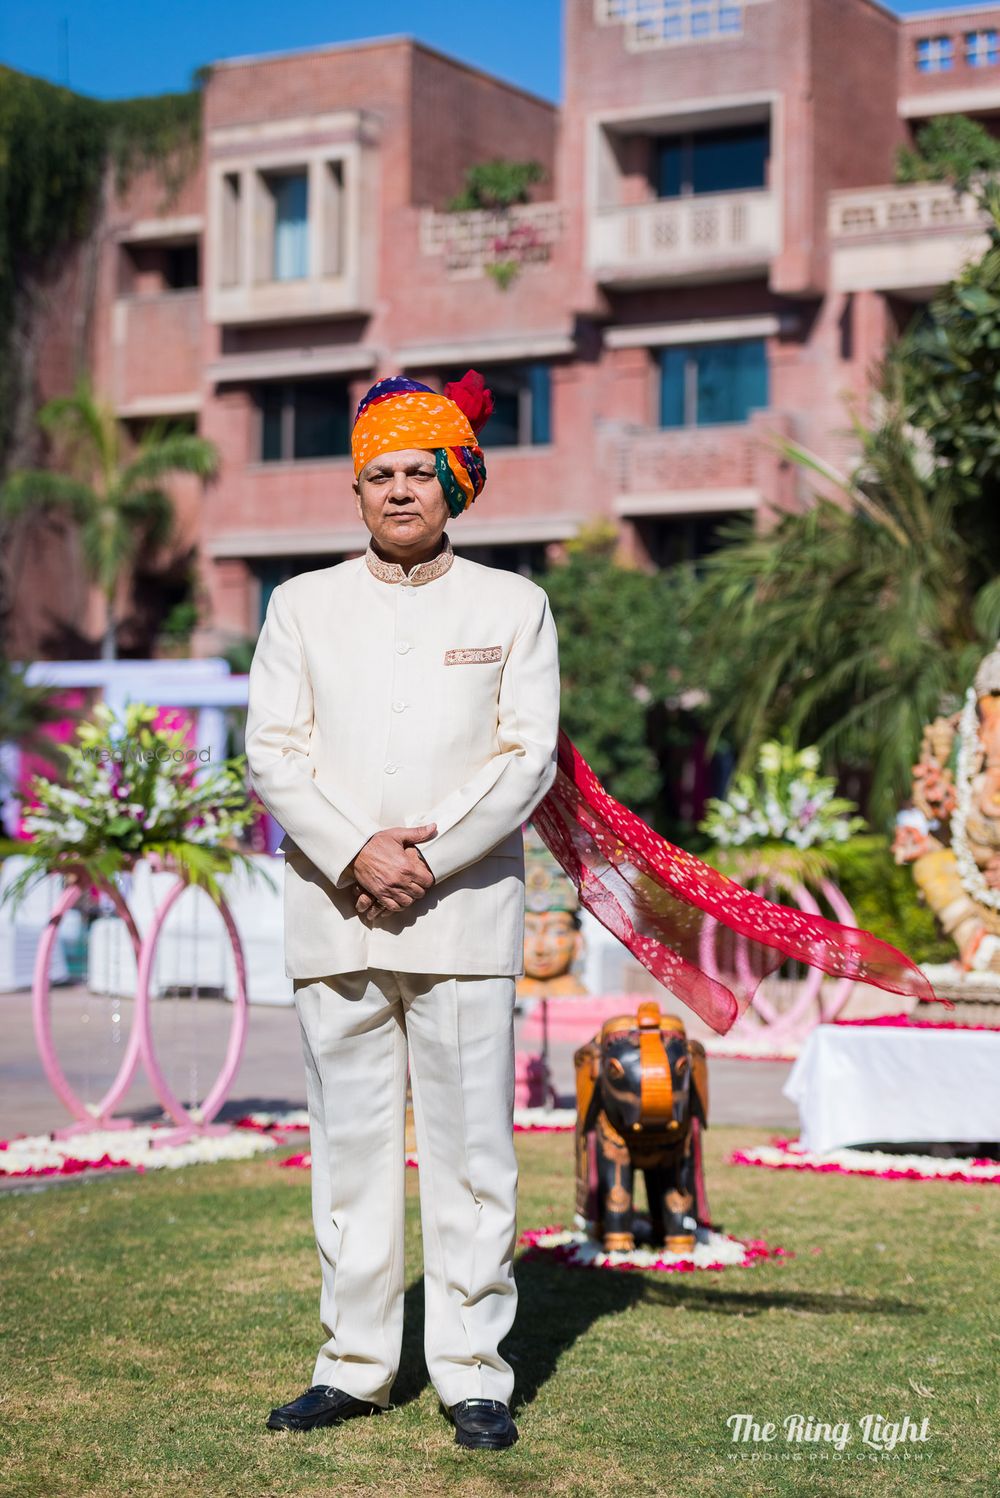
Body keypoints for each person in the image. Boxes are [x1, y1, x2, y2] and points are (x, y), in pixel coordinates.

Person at [245, 371, 559, 1451]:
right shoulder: (300, 604)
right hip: (335, 914)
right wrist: (355, 852)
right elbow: (272, 755)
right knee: (351, 1150)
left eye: (418, 471)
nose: (397, 491)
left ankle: (475, 1369)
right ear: (357, 490)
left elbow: (528, 759)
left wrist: (425, 858)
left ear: (454, 482)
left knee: (474, 1153)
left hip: (462, 916)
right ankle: (354, 1364)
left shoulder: (514, 606)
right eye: (377, 474)